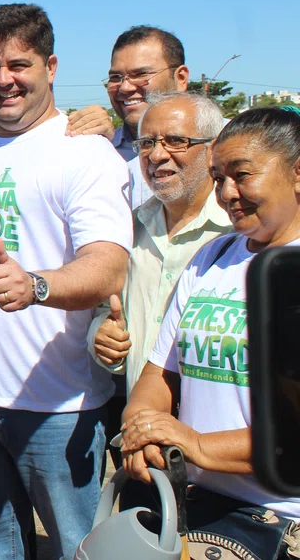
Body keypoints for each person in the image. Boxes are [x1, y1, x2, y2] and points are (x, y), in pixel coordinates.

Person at [0, 4, 132, 559]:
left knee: (79, 549)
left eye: (18, 64)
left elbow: (108, 265)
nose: (4, 79)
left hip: (58, 405)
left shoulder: (85, 153)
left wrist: (37, 287)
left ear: (50, 66)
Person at [122, 107, 300, 552]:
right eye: (219, 178)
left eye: (242, 175)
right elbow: (159, 373)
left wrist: (198, 445)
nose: (227, 193)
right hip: (189, 504)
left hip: (278, 520)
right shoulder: (212, 257)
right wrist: (139, 429)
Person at [86, 92, 230, 487]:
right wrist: (100, 335)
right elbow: (106, 310)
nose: (157, 155)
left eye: (175, 141)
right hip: (143, 450)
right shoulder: (125, 230)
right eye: (146, 143)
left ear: (213, 148)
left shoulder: (241, 234)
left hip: (226, 460)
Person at [66, 26, 191, 206]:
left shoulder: (222, 143)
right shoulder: (99, 150)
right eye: (116, 77)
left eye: (141, 74)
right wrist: (100, 144)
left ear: (180, 78)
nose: (125, 88)